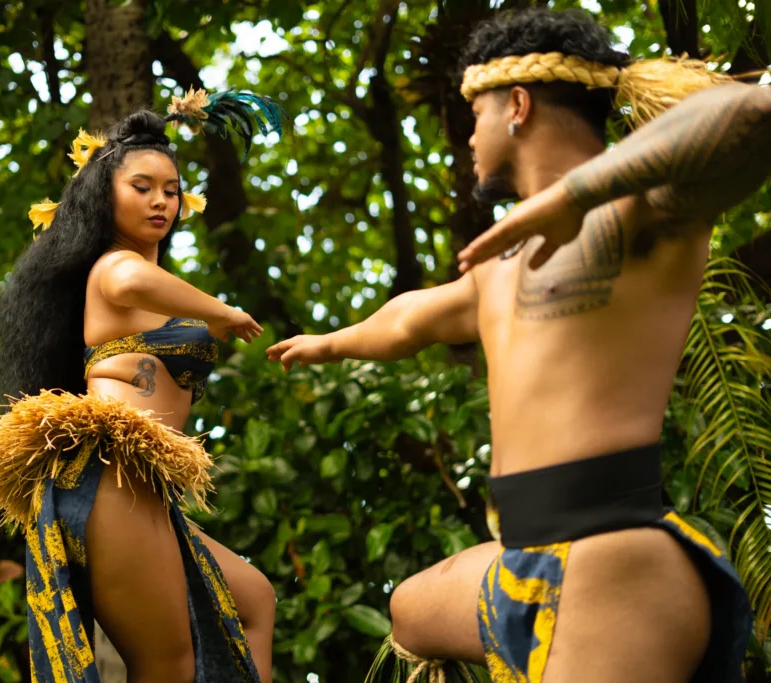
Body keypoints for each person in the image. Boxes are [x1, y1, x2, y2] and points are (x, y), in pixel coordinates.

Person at [267, 8, 767, 682]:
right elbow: (411, 318)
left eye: (475, 114)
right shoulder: (501, 266)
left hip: (611, 563)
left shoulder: (649, 209)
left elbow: (755, 108)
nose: (470, 136)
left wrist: (578, 192)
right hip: (520, 557)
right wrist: (331, 342)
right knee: (409, 607)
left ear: (518, 105)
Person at [0, 89, 283, 683]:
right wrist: (222, 312)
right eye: (142, 187)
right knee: (165, 664)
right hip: (115, 473)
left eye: (171, 190)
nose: (161, 200)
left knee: (253, 599)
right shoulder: (114, 266)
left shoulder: (153, 279)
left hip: (146, 488)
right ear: (103, 194)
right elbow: (134, 279)